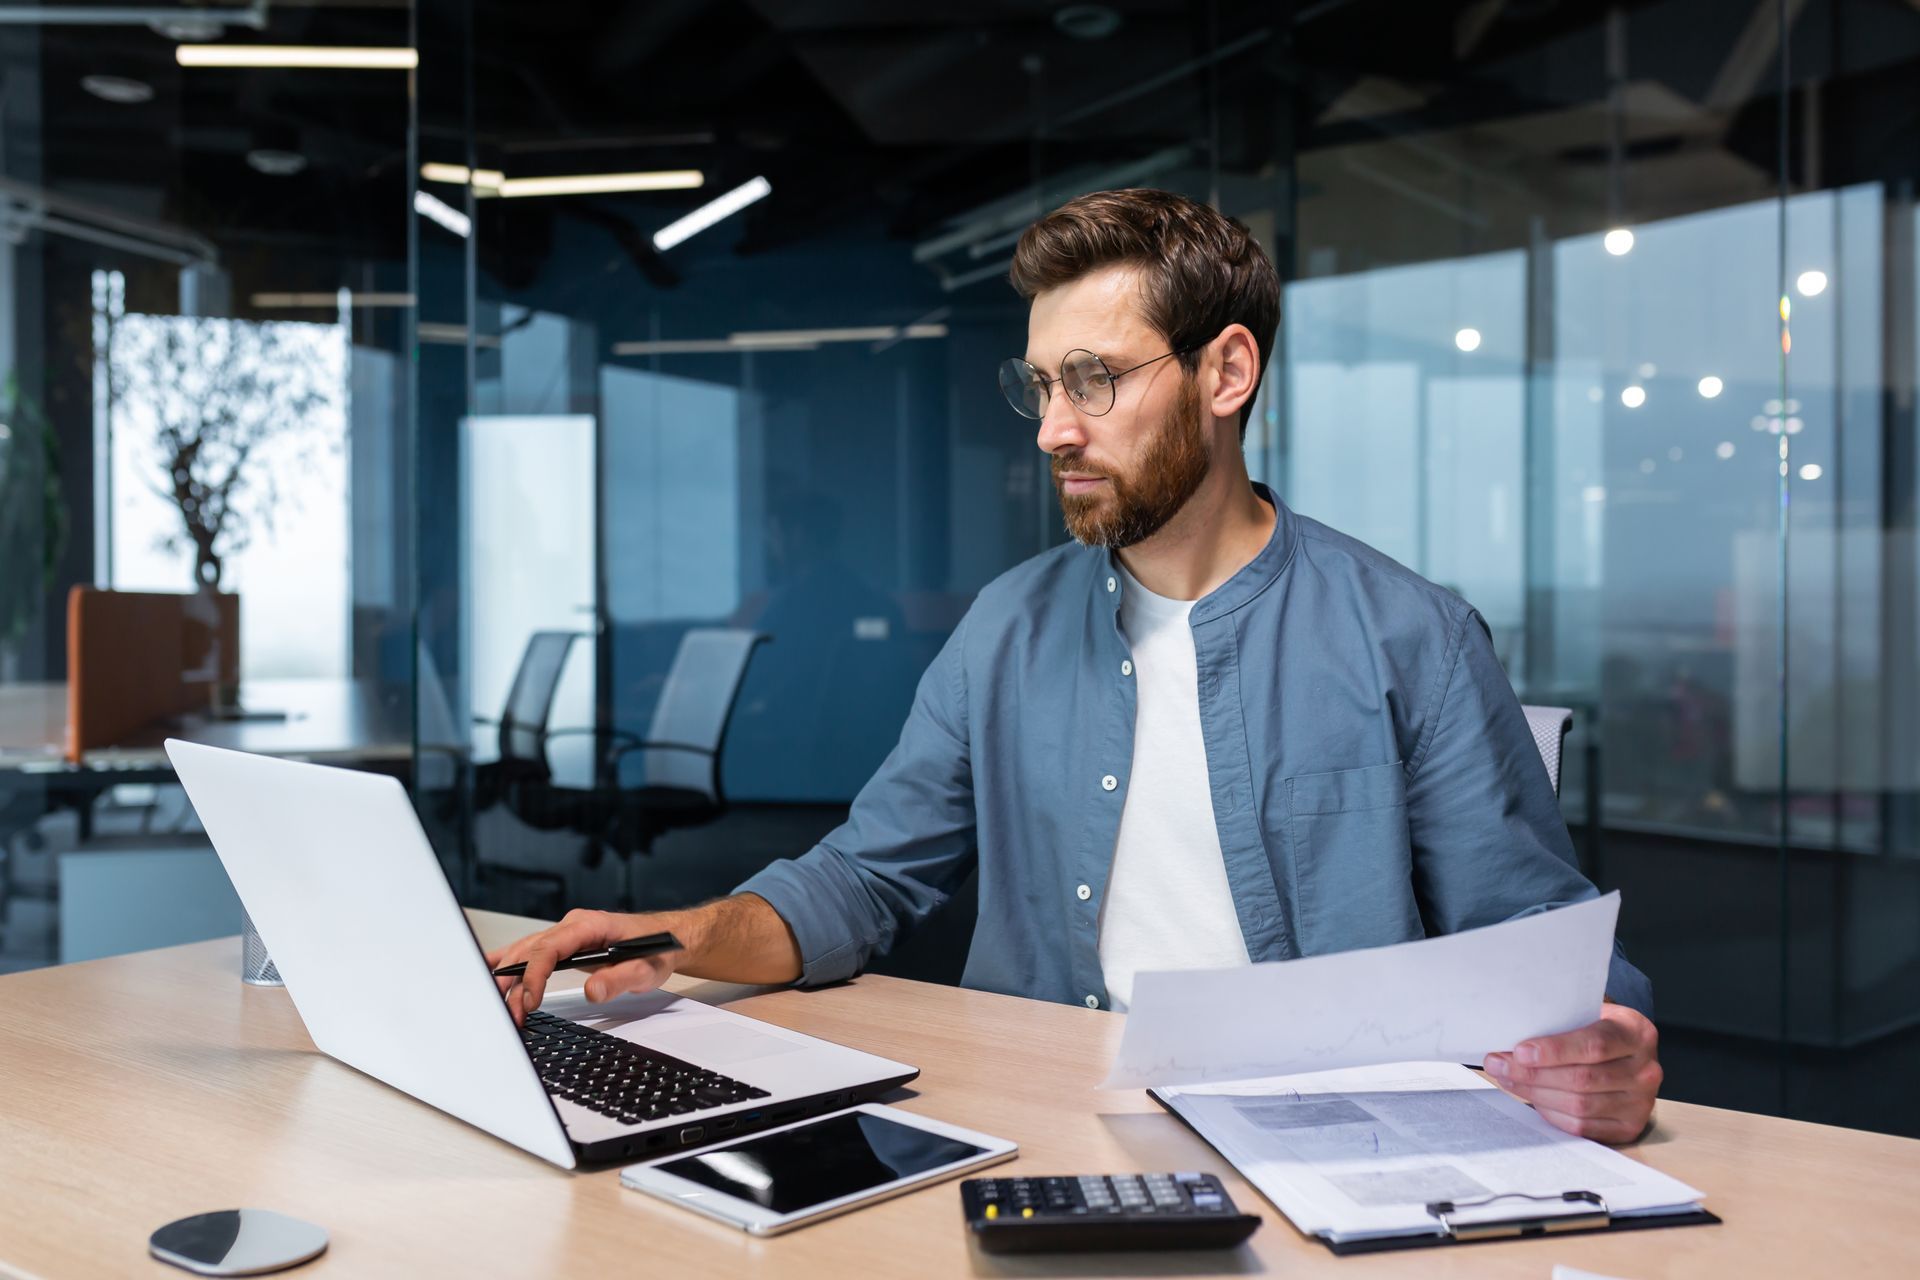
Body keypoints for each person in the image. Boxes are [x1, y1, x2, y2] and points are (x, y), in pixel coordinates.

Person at [490, 188, 1663, 1144]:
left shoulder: (1413, 634)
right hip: (1039, 1121)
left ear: (1226, 373)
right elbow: (864, 880)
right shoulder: (1006, 626)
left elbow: (1541, 944)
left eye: (1095, 380)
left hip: (1326, 1140)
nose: (1055, 428)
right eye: (1045, 385)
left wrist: (1604, 1037)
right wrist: (668, 934)